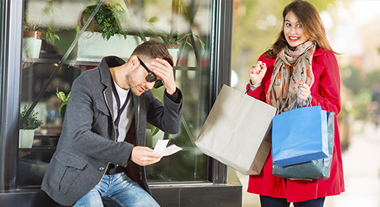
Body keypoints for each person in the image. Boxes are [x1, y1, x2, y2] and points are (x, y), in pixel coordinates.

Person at [41, 40, 183, 207]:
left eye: (157, 81)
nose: (150, 85)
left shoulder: (142, 94)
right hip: (81, 174)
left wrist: (171, 87)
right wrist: (130, 153)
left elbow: (171, 126)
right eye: (150, 76)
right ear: (134, 61)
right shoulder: (87, 82)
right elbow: (79, 137)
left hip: (118, 178)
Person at [246, 0, 344, 206]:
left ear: (312, 26)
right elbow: (255, 109)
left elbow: (334, 105)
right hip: (272, 151)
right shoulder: (268, 59)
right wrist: (255, 84)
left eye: (300, 25)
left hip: (308, 152)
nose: (292, 30)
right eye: (288, 24)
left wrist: (310, 98)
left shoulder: (323, 58)